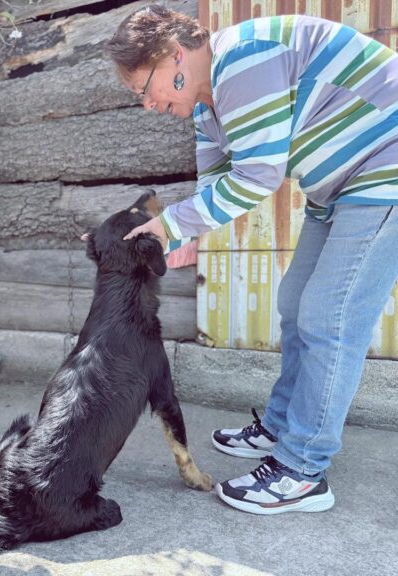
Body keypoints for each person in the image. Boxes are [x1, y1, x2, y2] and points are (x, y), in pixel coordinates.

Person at [105, 6, 398, 515]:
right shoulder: (203, 104)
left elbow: (258, 177)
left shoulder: (242, 60)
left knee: (331, 316)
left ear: (175, 55)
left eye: (146, 88)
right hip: (340, 187)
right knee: (293, 302)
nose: (148, 104)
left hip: (384, 172)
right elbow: (215, 181)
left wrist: (173, 223)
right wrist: (187, 234)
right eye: (139, 97)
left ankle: (304, 470)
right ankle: (285, 426)